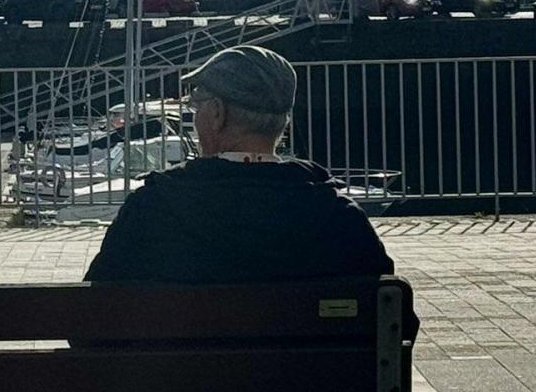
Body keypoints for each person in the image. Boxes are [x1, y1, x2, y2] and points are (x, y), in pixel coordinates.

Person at [87, 45, 398, 286]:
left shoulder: (152, 209)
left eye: (196, 105)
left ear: (218, 113)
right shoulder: (339, 217)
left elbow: (90, 322)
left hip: (184, 371)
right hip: (308, 371)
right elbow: (393, 323)